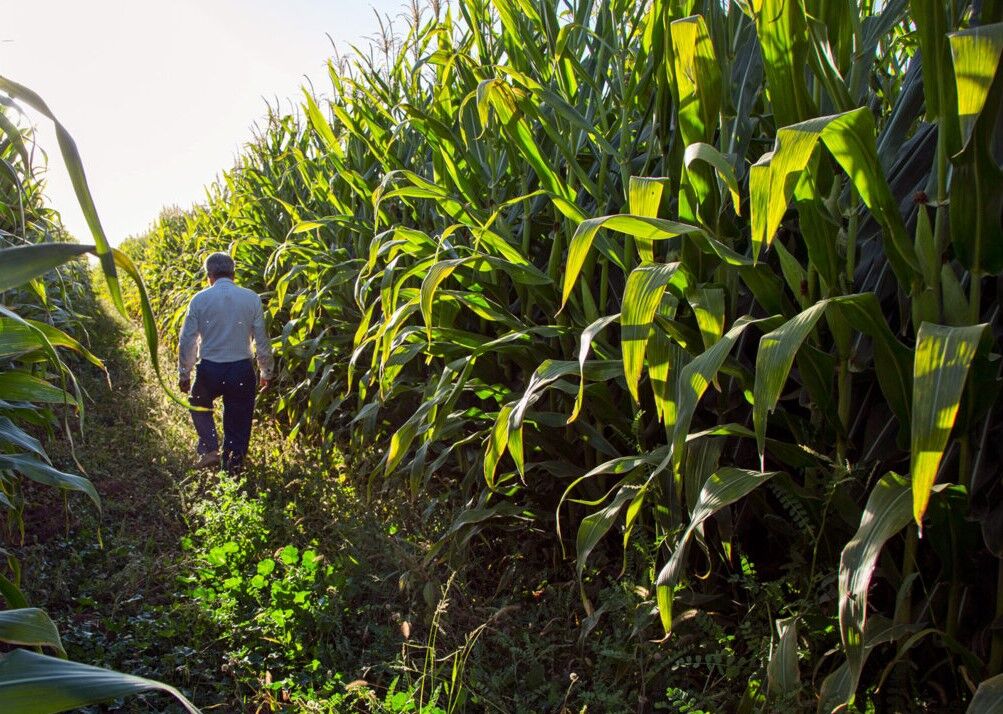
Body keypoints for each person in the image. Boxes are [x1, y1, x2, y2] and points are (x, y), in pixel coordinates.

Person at [178, 252, 274, 472]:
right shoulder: (251, 298)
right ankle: (233, 465)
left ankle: (210, 448)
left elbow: (187, 340)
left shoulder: (200, 299)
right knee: (238, 418)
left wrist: (184, 373)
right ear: (234, 274)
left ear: (209, 276)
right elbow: (262, 340)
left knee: (198, 402)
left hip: (209, 369)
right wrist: (265, 371)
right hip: (241, 369)